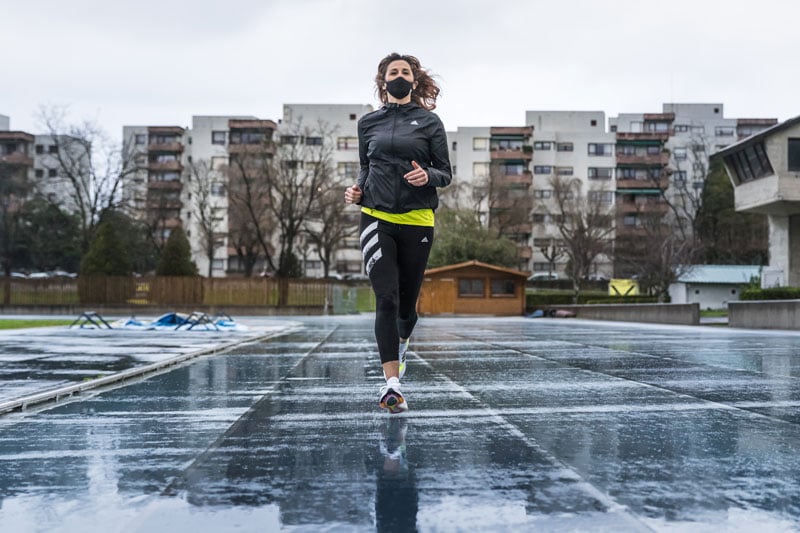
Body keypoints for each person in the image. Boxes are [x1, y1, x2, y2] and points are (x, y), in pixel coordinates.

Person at [344, 52, 452, 414]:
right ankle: (392, 384)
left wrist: (429, 176)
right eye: (394, 72)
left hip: (417, 219)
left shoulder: (429, 122)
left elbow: (445, 173)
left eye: (406, 71)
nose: (400, 76)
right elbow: (365, 166)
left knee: (407, 307)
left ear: (415, 80)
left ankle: (403, 341)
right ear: (383, 80)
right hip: (375, 216)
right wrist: (357, 189)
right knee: (385, 298)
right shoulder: (368, 123)